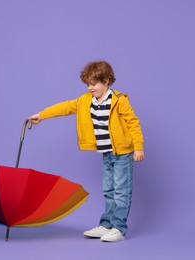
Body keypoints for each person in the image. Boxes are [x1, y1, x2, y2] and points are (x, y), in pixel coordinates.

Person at [29, 60, 144, 242]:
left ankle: (119, 228)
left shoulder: (119, 100)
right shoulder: (85, 101)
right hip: (107, 153)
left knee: (121, 191)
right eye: (88, 84)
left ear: (106, 81)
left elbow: (133, 123)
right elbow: (65, 107)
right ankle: (106, 224)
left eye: (94, 83)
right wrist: (41, 115)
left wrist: (138, 147)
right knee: (108, 190)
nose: (90, 87)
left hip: (123, 153)